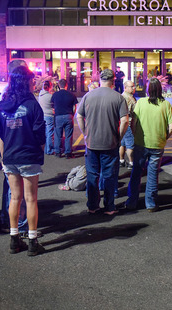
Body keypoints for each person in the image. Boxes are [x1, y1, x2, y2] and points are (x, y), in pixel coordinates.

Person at [0, 66, 46, 256]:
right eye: (32, 80)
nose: (34, 83)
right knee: (31, 198)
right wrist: (37, 154)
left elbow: (0, 135)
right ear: (27, 82)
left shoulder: (1, 107)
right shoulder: (33, 106)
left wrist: (3, 158)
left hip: (9, 156)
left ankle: (13, 238)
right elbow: (41, 136)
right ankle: (32, 241)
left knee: (14, 198)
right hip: (28, 156)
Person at [76, 68, 129, 216]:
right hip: (110, 143)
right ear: (113, 81)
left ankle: (92, 206)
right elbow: (125, 121)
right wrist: (119, 136)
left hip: (92, 143)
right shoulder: (118, 97)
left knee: (93, 175)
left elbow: (79, 116)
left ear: (100, 80)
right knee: (109, 176)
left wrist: (85, 132)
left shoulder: (89, 96)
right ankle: (109, 206)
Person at [126, 78, 172, 212]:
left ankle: (132, 201)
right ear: (161, 89)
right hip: (157, 144)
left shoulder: (141, 103)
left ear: (148, 89)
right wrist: (164, 137)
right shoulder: (166, 105)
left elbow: (133, 123)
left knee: (136, 172)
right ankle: (151, 203)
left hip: (141, 143)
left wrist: (136, 135)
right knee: (153, 174)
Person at [0, 59, 30, 237]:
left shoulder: (6, 95)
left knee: (13, 192)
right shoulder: (14, 97)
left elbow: (0, 132)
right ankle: (21, 226)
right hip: (19, 151)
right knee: (21, 194)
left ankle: (10, 223)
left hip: (10, 152)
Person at [51, 79, 78, 158]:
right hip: (68, 116)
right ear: (66, 85)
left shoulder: (55, 95)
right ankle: (68, 152)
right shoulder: (71, 94)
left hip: (58, 116)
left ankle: (58, 152)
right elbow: (74, 107)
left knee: (58, 135)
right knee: (68, 135)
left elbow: (52, 107)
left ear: (59, 85)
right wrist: (72, 114)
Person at [120, 80, 136, 168]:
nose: (134, 88)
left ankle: (121, 160)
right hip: (128, 124)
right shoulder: (130, 98)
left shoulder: (121, 96)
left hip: (121, 124)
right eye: (132, 86)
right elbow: (135, 112)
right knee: (130, 145)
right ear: (125, 88)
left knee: (122, 143)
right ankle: (131, 163)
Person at [39, 80, 55, 155]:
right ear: (49, 87)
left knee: (45, 133)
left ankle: (45, 148)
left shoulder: (40, 95)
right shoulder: (50, 96)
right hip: (49, 116)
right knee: (50, 133)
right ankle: (49, 149)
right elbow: (54, 105)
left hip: (43, 115)